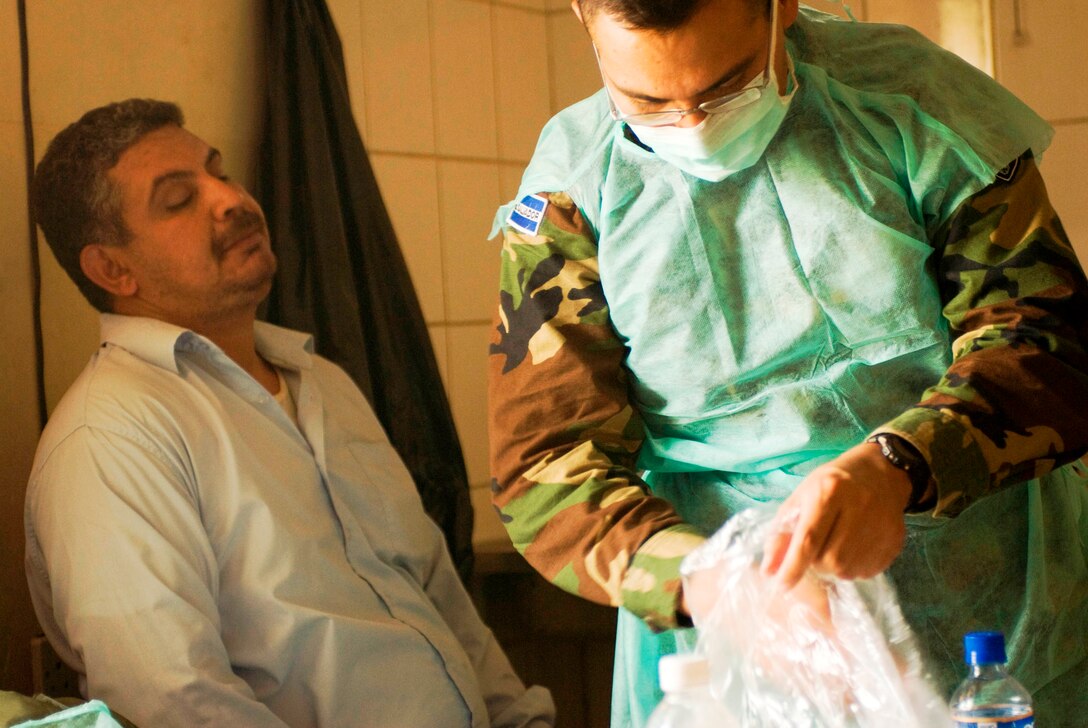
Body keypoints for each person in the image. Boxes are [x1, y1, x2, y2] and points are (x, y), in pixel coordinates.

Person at [487, 0, 1088, 725]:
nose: (694, 127)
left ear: (782, 10)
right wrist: (718, 586)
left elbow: (1048, 344)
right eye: (647, 102)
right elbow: (546, 461)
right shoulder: (572, 193)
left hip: (990, 617)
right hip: (729, 643)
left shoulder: (919, 106)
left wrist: (900, 466)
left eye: (730, 87)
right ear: (584, 13)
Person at [25, 98, 556, 728]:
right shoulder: (111, 437)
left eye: (218, 172)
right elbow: (174, 698)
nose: (229, 199)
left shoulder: (321, 381)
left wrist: (523, 720)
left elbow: (438, 597)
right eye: (178, 200)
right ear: (113, 268)